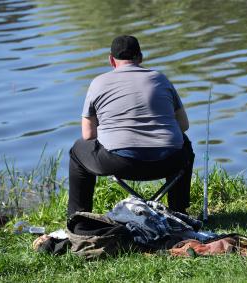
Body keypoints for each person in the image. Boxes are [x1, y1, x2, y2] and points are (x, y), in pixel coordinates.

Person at [68, 35, 194, 217]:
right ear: (140, 57)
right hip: (168, 161)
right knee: (185, 143)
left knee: (78, 151)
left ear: (111, 60)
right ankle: (179, 211)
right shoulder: (160, 79)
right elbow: (183, 125)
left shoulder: (98, 82)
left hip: (121, 163)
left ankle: (78, 218)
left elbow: (88, 134)